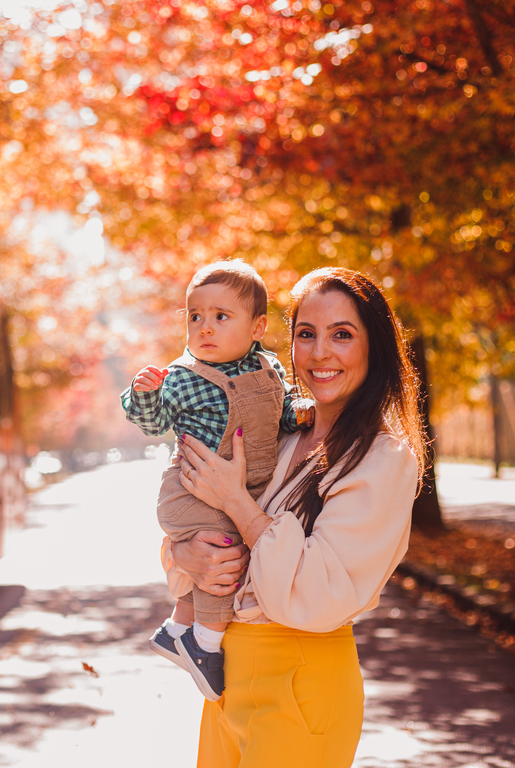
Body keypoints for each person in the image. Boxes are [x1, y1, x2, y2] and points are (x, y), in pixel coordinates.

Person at [169, 266, 426, 767]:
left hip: (302, 682)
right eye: (306, 334)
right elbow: (198, 521)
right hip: (225, 682)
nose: (320, 352)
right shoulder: (277, 435)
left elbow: (318, 593)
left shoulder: (384, 458)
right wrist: (185, 554)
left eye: (342, 335)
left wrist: (236, 502)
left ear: (374, 348)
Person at [120, 259, 303, 701]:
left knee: (227, 545)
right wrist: (144, 394)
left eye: (221, 317)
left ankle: (176, 629)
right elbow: (153, 422)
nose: (205, 327)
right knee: (225, 553)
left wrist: (300, 411)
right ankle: (203, 644)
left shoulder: (269, 367)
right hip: (191, 491)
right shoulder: (183, 377)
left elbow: (283, 411)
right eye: (195, 316)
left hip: (237, 490)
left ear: (258, 327)